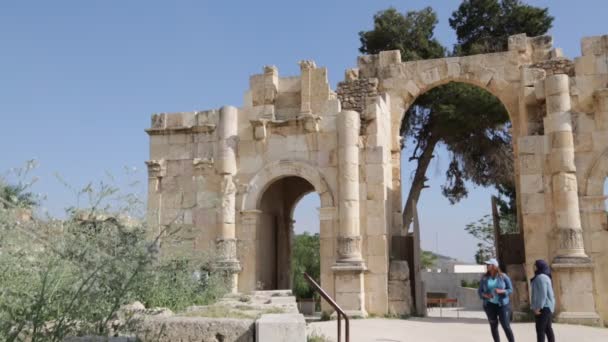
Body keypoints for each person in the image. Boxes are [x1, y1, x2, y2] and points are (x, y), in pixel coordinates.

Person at [478, 258, 515, 342]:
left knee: (506, 325)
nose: (487, 266)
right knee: (493, 326)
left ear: (494, 266)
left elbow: (510, 289)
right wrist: (486, 295)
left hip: (503, 305)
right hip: (489, 305)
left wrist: (501, 291)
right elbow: (480, 291)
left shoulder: (503, 276)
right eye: (486, 264)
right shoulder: (484, 278)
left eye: (489, 264)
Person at [531, 259, 555, 342]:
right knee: (548, 329)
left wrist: (538, 307)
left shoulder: (541, 277)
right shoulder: (544, 276)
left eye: (535, 265)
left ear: (538, 266)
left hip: (543, 307)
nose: (533, 267)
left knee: (540, 330)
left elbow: (543, 294)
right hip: (547, 307)